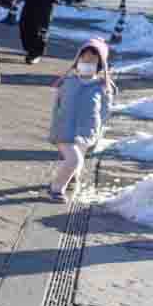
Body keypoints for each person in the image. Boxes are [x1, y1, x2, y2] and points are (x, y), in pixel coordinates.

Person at [48, 39, 115, 202]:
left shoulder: (103, 87)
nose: (86, 62)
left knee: (77, 162)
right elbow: (56, 106)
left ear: (100, 65)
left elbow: (105, 111)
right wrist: (55, 127)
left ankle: (70, 178)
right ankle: (56, 188)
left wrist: (98, 129)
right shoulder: (68, 82)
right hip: (64, 130)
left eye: (92, 60)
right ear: (77, 60)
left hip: (86, 132)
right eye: (83, 58)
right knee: (74, 160)